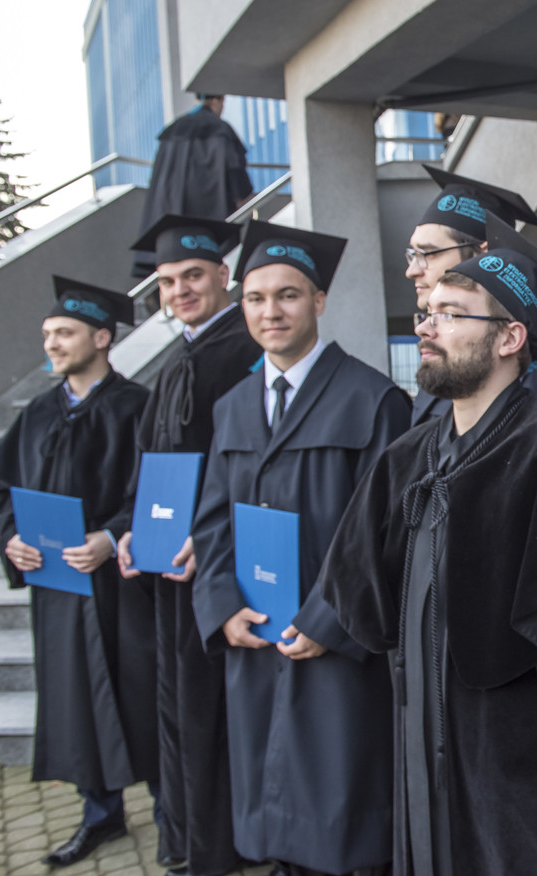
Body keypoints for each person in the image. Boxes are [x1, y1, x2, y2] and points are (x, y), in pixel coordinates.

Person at [318, 228, 537, 875]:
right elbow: (363, 596)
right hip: (429, 754)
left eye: (453, 314)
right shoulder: (407, 461)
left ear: (510, 338)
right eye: (428, 312)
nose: (427, 326)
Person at [191, 221, 410, 876]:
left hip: (334, 644)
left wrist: (326, 620)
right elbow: (212, 522)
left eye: (287, 295)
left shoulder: (373, 399)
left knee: (342, 811)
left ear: (318, 300)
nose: (271, 312)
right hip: (257, 638)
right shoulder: (232, 407)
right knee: (271, 806)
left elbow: (383, 533)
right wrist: (221, 605)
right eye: (256, 299)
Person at [0, 278, 154, 866]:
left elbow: (156, 492)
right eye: (47, 334)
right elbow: (0, 486)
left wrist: (112, 537)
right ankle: (100, 815)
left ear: (102, 338)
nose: (51, 344)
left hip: (121, 584)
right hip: (58, 586)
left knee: (140, 693)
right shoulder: (37, 413)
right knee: (75, 700)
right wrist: (12, 538)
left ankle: (173, 815)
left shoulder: (137, 407)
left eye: (64, 333)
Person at [116, 215, 261, 876]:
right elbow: (149, 463)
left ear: (223, 276)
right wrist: (131, 527)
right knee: (177, 704)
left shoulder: (244, 350)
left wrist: (215, 538)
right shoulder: (178, 358)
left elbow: (251, 464)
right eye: (168, 281)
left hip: (217, 566)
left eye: (193, 276)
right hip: (168, 562)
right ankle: (186, 839)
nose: (180, 290)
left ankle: (219, 846)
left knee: (212, 711)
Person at [407, 164, 537, 425]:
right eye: (412, 255)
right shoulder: (445, 356)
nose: (411, 270)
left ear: (482, 254)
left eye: (428, 254)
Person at [133, 94, 252, 278]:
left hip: (170, 216)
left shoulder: (173, 130)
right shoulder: (220, 129)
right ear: (216, 101)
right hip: (209, 217)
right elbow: (236, 172)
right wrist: (243, 192)